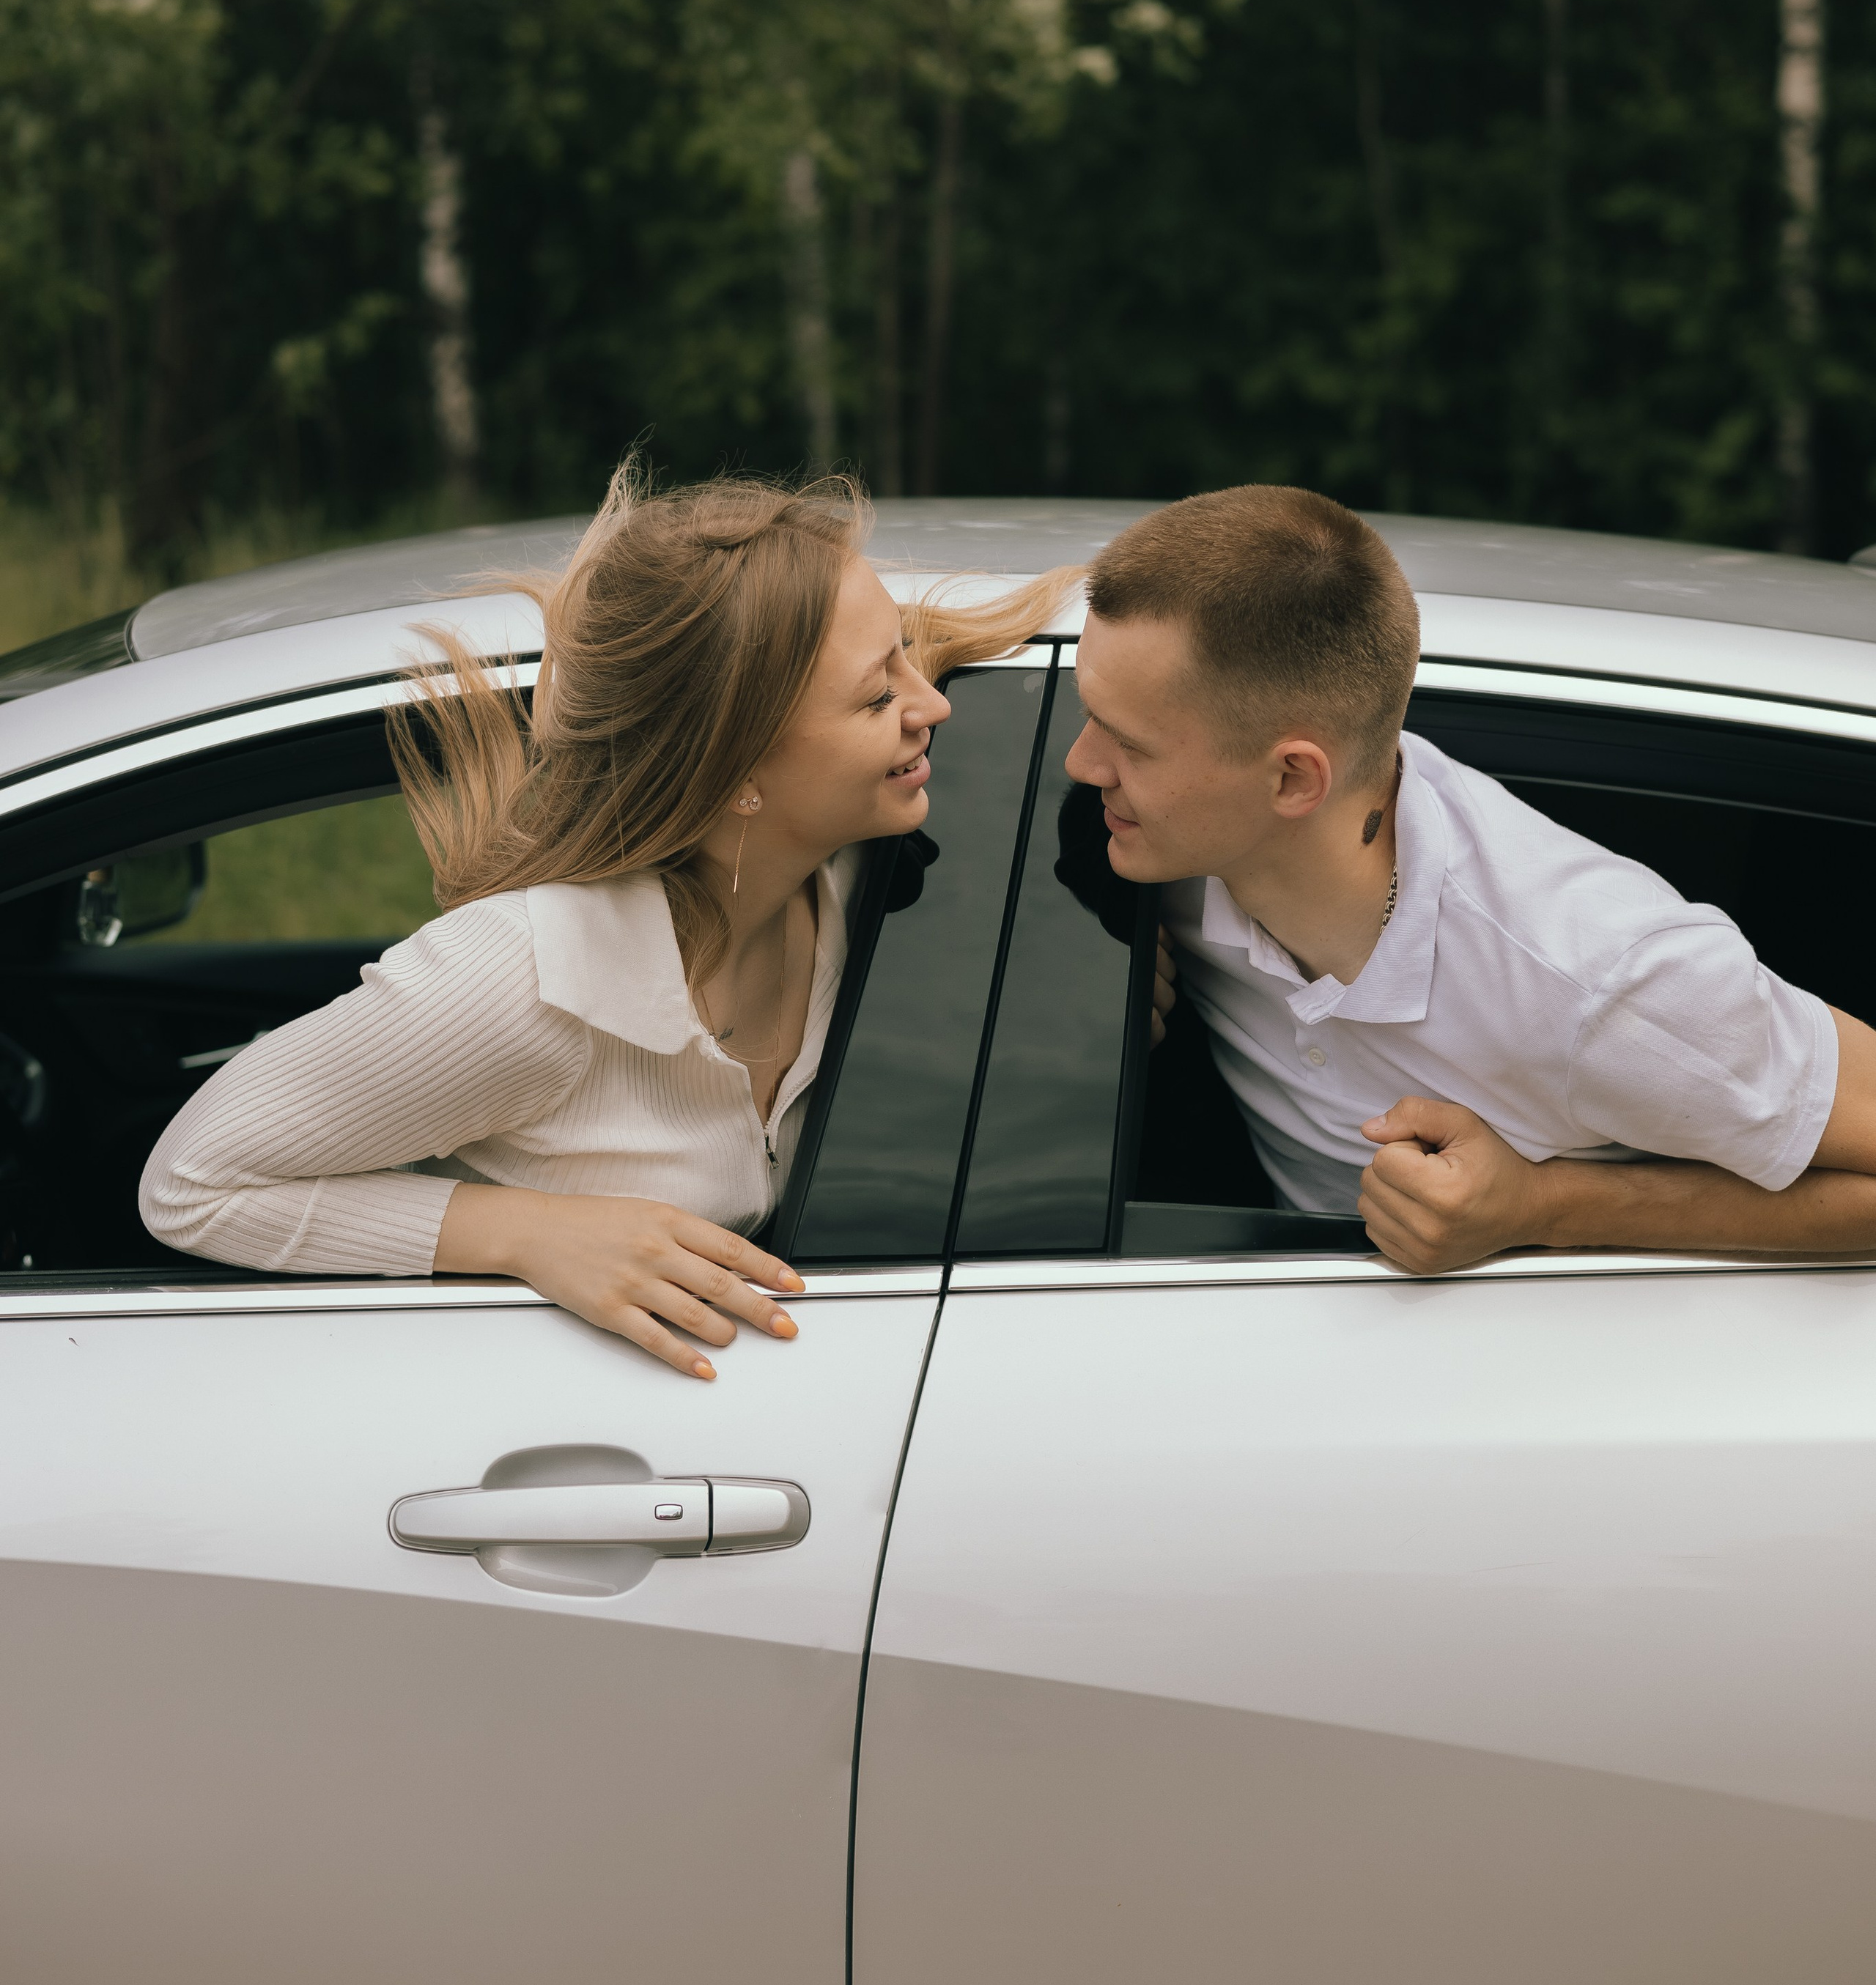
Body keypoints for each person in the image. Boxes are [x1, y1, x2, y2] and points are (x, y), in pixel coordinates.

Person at [140, 472, 1068, 1369]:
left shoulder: (885, 881)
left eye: (905, 654)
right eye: (877, 695)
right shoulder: (523, 980)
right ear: (736, 774)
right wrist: (532, 1235)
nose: (934, 705)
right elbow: (193, 1185)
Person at [1063, 483, 1876, 1276]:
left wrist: (1543, 1209)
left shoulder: (1606, 977)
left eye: (1128, 744)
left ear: (1291, 782)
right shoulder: (1170, 845)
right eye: (1087, 711)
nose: (1077, 764)